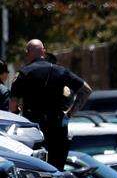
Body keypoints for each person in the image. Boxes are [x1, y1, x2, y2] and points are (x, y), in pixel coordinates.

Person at [10, 39, 92, 170]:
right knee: (57, 171)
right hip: (57, 129)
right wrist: (69, 113)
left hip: (33, 132)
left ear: (27, 53)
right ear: (44, 51)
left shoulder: (23, 74)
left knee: (34, 172)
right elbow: (86, 90)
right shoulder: (60, 71)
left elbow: (13, 105)